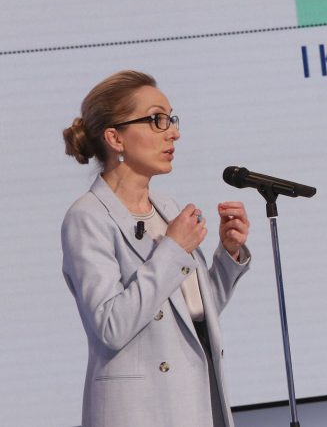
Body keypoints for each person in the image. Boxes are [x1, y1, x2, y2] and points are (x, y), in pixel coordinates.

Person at [61, 70, 251, 427]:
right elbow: (112, 326)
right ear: (115, 138)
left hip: (195, 401)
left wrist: (228, 255)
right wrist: (174, 249)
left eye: (171, 120)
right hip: (139, 410)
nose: (173, 132)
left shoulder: (166, 207)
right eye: (156, 120)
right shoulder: (87, 217)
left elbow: (192, 313)